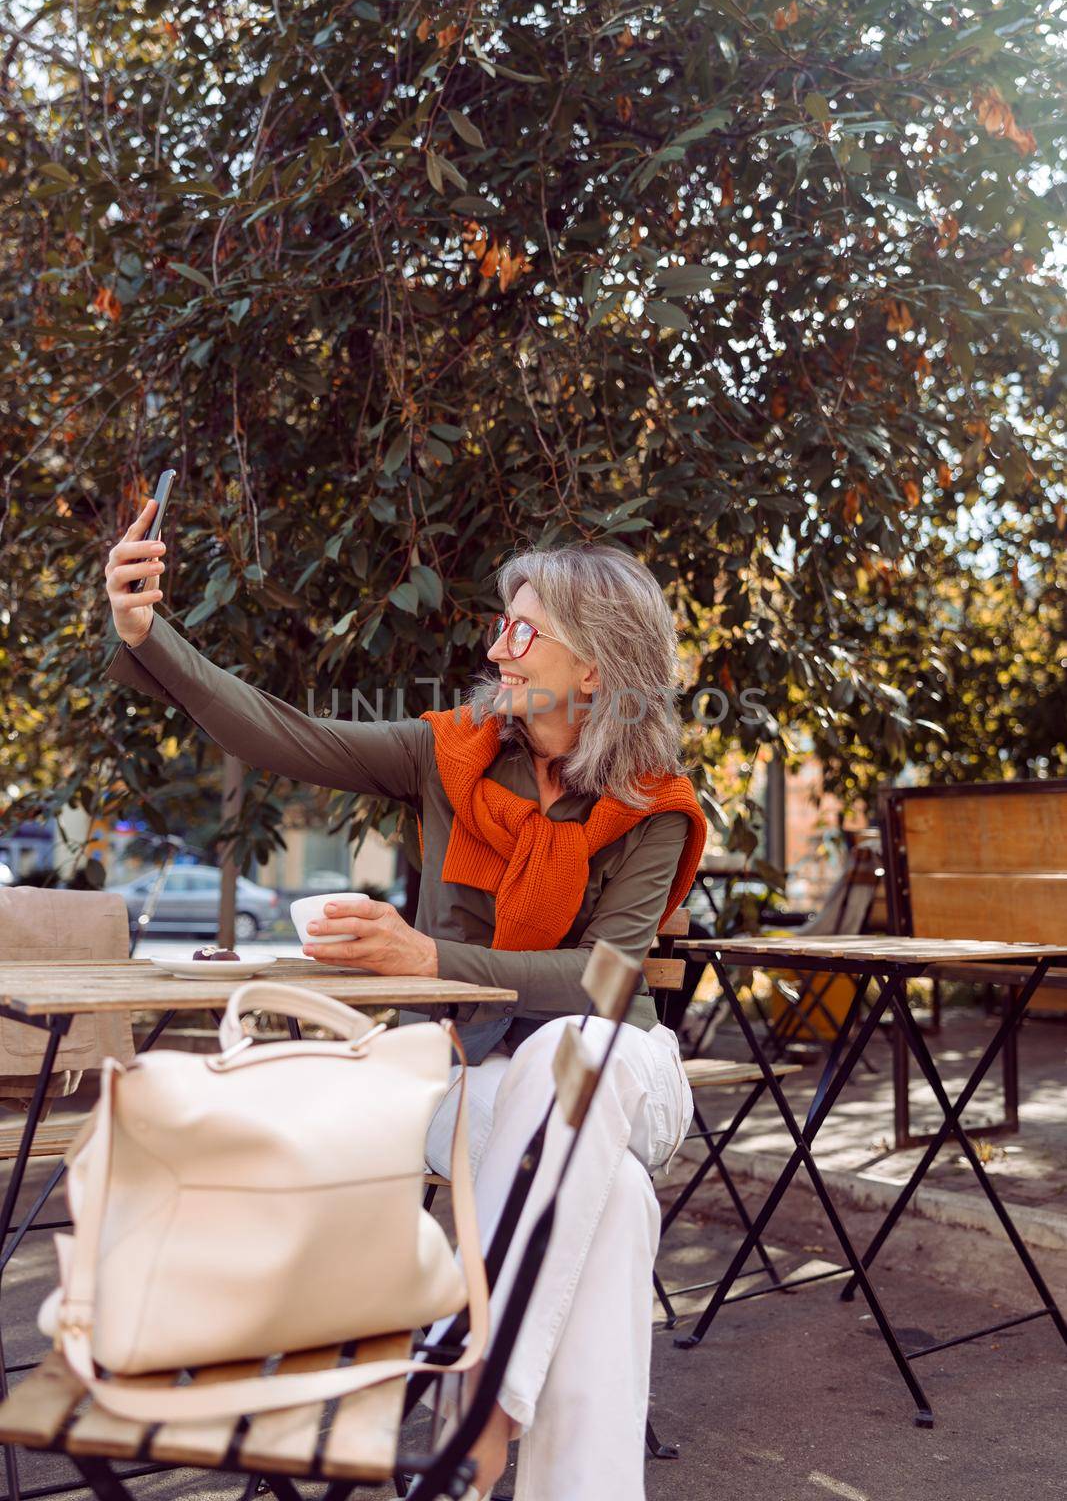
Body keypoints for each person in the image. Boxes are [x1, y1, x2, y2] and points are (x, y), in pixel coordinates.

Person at [103, 499, 707, 1501]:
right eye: (499, 626)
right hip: (473, 1091)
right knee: (609, 1213)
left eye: (523, 630)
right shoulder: (450, 751)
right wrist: (146, 633)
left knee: (576, 1058)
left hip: (621, 1076)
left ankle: (478, 1394)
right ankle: (513, 1433)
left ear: (593, 666)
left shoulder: (650, 800)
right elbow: (281, 732)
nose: (498, 650)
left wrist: (429, 954)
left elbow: (608, 984)